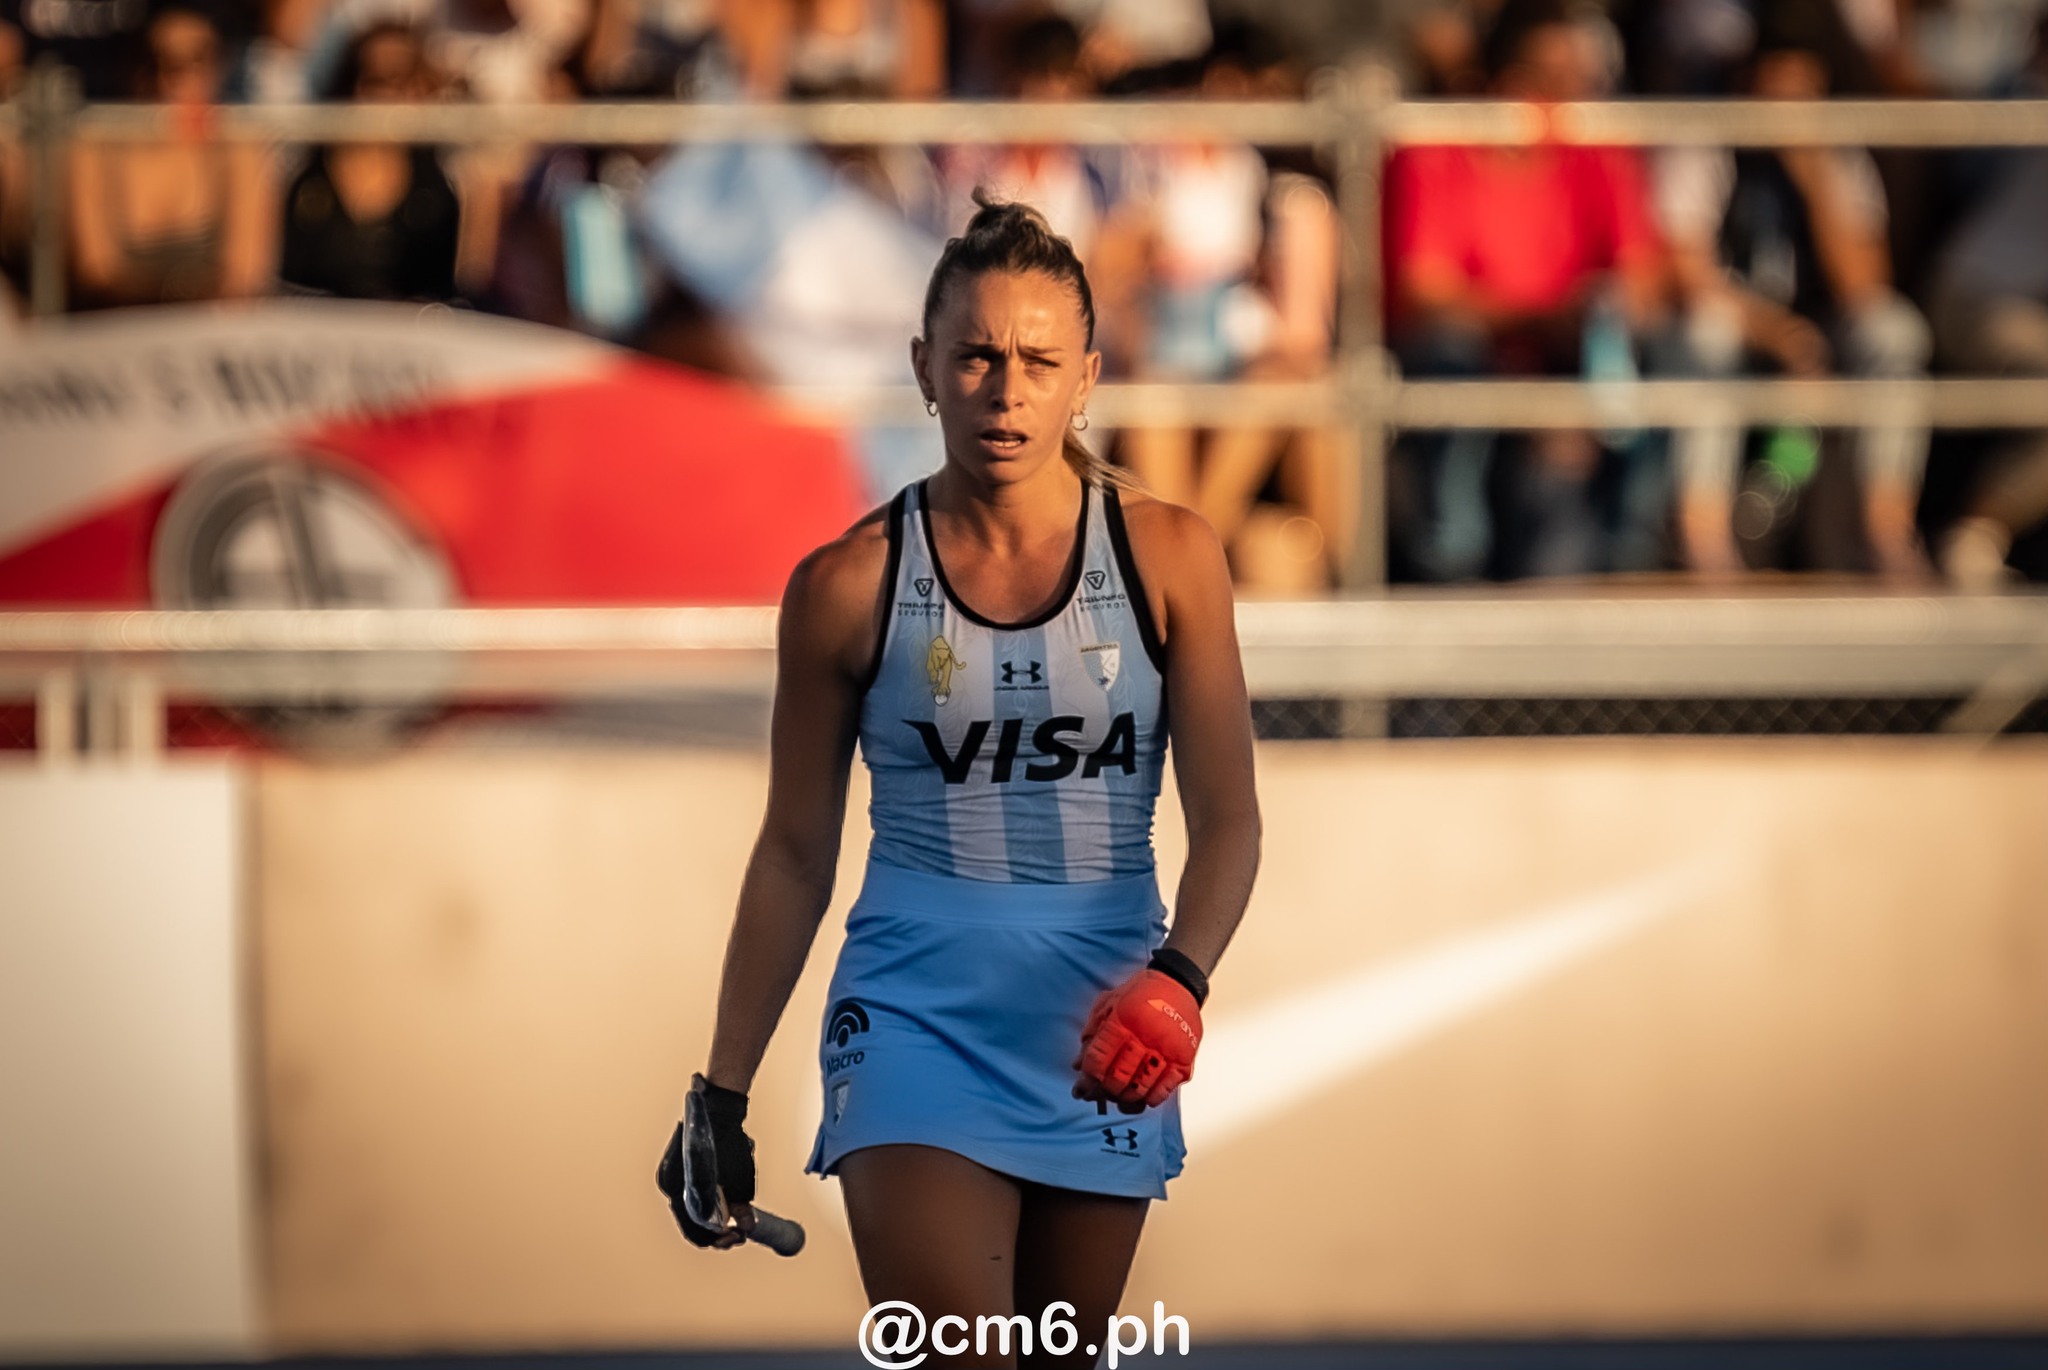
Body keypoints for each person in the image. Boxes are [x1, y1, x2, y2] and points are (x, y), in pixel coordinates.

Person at [661, 197, 1261, 1364]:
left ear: (1086, 377)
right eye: (976, 355)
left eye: (1037, 361)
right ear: (923, 368)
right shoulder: (843, 584)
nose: (1005, 389)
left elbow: (1231, 823)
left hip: (1107, 1020)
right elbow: (793, 850)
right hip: (911, 1017)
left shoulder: (1170, 554)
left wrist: (1179, 980)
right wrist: (721, 1089)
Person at [280, 23, 462, 302]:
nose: (379, 94)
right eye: (370, 77)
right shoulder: (300, 178)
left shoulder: (445, 187)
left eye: (399, 78)